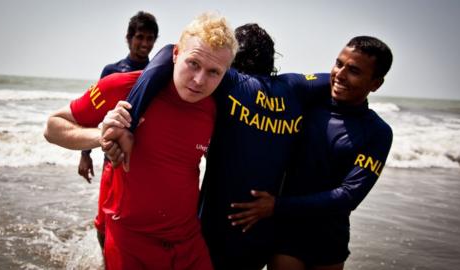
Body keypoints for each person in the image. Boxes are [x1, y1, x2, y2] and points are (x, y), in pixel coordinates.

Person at [102, 23, 330, 270]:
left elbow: (170, 51)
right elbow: (335, 80)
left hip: (215, 228)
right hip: (262, 230)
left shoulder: (231, 83)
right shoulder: (295, 88)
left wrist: (130, 121)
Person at [44, 12, 237, 269]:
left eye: (214, 72)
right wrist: (100, 136)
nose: (200, 80)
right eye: (193, 64)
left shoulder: (215, 108)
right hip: (130, 241)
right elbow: (52, 127)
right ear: (176, 54)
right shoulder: (121, 87)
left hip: (188, 240)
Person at [229, 36, 394, 270]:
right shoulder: (305, 104)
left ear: (376, 83)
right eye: (338, 64)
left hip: (330, 241)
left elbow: (349, 195)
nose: (340, 75)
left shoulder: (377, 132)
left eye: (354, 71)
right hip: (286, 237)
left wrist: (277, 206)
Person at [76, 10, 158, 250]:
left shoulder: (156, 73)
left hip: (145, 160)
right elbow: (94, 115)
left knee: (138, 224)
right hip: (113, 159)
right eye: (140, 37)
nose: (145, 43)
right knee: (103, 225)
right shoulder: (112, 72)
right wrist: (85, 154)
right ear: (129, 38)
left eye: (150, 38)